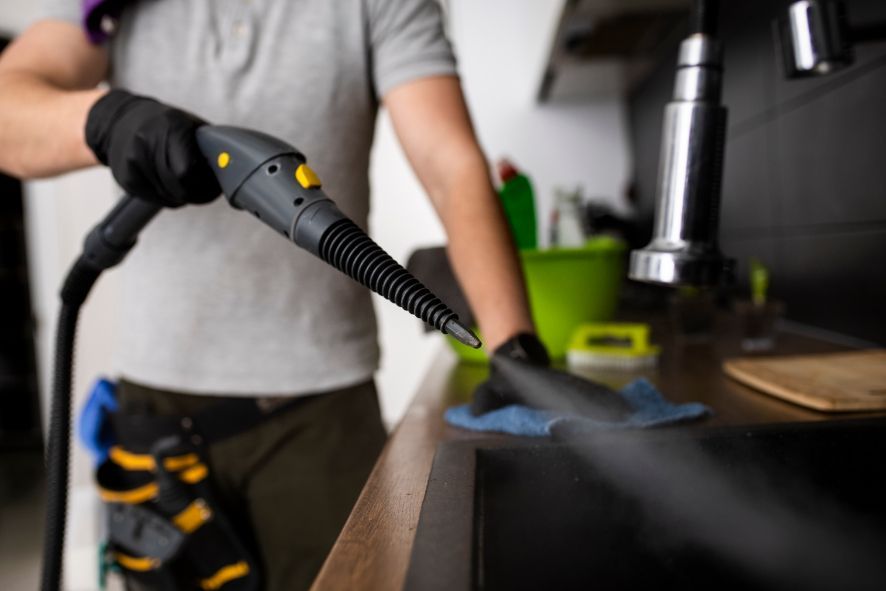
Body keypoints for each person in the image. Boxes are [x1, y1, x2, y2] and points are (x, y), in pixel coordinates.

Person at [0, 0, 536, 589]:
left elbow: (450, 164)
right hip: (157, 417)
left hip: (322, 416)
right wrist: (106, 120)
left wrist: (512, 349)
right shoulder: (112, 9)